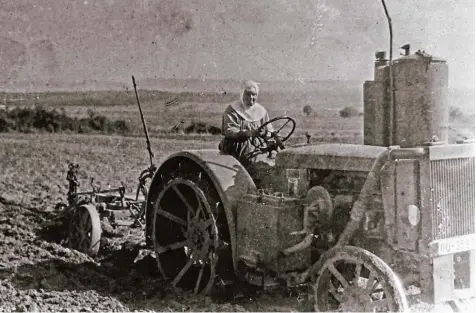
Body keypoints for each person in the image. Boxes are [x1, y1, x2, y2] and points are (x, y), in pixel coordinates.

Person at [218, 80, 274, 166]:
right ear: (242, 94)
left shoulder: (261, 111)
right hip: (239, 145)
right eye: (247, 94)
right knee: (254, 161)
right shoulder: (232, 110)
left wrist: (267, 134)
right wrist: (248, 133)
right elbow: (229, 131)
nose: (251, 97)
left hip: (259, 145)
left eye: (253, 94)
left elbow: (269, 130)